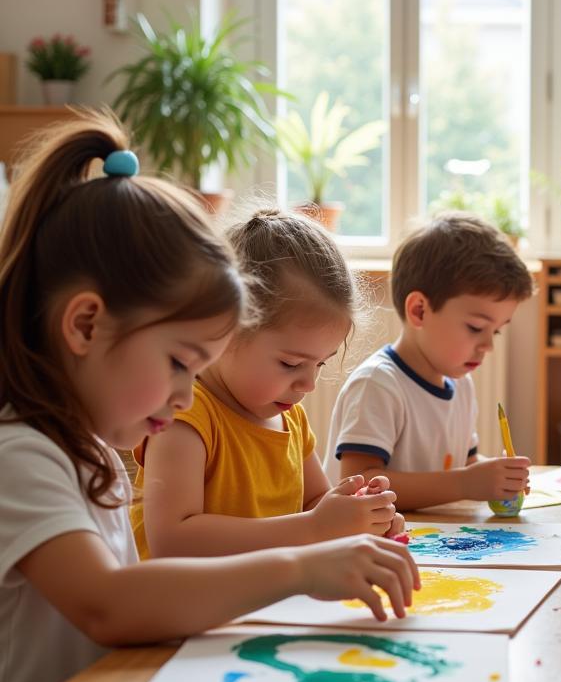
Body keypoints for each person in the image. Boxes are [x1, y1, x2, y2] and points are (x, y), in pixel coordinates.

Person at [0, 112, 417, 682]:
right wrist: (302, 563)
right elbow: (109, 605)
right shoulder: (21, 456)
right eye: (178, 362)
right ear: (86, 325)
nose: (183, 393)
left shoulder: (84, 452)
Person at [133, 208, 400, 558]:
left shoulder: (290, 419)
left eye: (320, 363)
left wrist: (358, 515)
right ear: (224, 330)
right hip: (185, 608)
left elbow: (315, 503)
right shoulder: (185, 416)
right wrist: (316, 526)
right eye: (290, 363)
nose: (308, 383)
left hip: (265, 600)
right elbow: (172, 539)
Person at [326, 212, 534, 511]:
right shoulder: (378, 384)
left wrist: (498, 476)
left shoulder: (461, 385)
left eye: (496, 331)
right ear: (420, 311)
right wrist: (466, 483)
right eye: (476, 328)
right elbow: (361, 483)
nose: (488, 345)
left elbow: (464, 464)